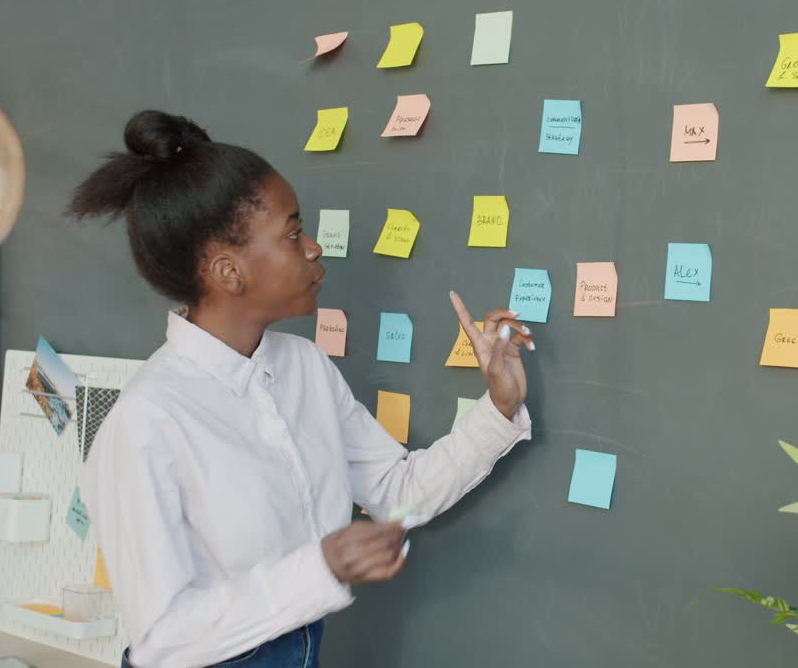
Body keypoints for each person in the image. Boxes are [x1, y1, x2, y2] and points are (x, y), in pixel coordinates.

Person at [69, 110, 536, 668]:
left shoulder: (304, 366)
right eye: (292, 234)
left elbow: (397, 491)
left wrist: (500, 406)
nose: (314, 248)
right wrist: (321, 567)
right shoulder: (149, 419)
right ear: (229, 272)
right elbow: (164, 638)